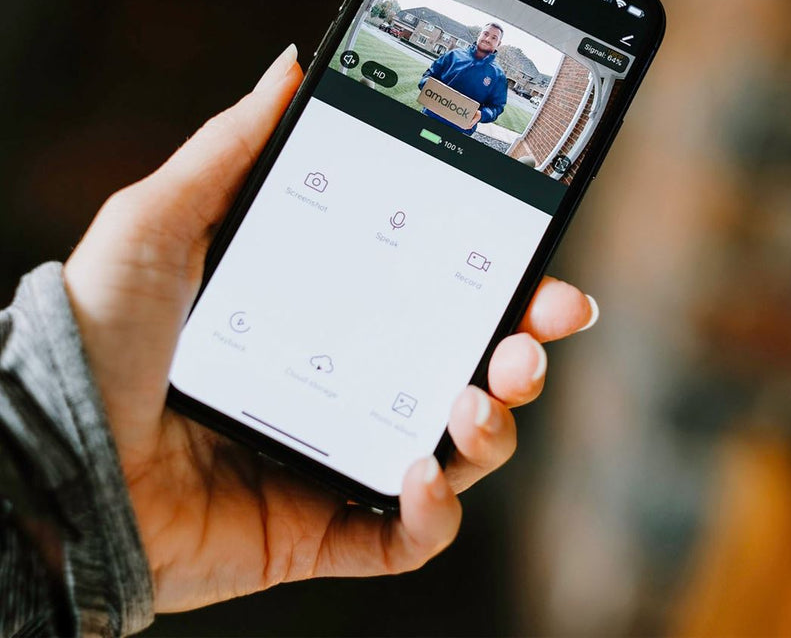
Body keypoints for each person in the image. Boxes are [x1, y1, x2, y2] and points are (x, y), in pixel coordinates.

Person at [0, 44, 598, 637]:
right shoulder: (456, 59)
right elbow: (430, 78)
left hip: (459, 154)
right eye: (487, 37)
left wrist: (83, 513)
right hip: (413, 131)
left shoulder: (493, 77)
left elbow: (493, 110)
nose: (488, 44)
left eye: (495, 39)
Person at [418, 22, 508, 134]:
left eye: (494, 38)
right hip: (429, 119)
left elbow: (497, 107)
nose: (488, 39)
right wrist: (428, 85)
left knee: (439, 148)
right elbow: (427, 76)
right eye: (485, 34)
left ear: (498, 43)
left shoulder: (499, 75)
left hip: (459, 132)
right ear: (479, 35)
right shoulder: (453, 55)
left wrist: (482, 114)